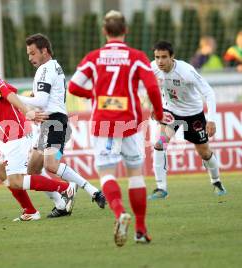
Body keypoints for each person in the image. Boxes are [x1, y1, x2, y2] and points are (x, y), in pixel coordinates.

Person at [68, 10, 165, 246]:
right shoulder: (136, 56)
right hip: (130, 123)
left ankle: (120, 211)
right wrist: (160, 114)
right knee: (136, 176)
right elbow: (152, 87)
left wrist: (94, 94)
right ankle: (141, 230)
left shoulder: (93, 57)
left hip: (104, 124)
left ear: (104, 31)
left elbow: (73, 86)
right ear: (126, 30)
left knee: (107, 174)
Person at [0, 48, 77, 221]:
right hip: (3, 137)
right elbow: (9, 89)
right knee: (0, 171)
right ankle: (30, 211)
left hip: (14, 134)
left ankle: (65, 188)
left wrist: (27, 112)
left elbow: (8, 93)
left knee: (17, 180)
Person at [14, 33, 106, 218]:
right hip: (49, 126)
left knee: (51, 164)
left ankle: (91, 190)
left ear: (44, 50)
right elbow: (43, 98)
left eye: (33, 53)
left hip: (54, 123)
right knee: (32, 170)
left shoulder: (46, 69)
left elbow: (41, 99)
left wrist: (12, 97)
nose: (30, 58)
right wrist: (30, 99)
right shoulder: (53, 66)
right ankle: (61, 203)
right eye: (28, 54)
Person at [149, 40, 227, 200]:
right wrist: (154, 106)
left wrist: (211, 120)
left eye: (164, 57)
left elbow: (209, 93)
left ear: (172, 57)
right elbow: (152, 87)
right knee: (159, 144)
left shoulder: (186, 71)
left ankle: (216, 181)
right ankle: (161, 188)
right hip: (170, 112)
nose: (160, 61)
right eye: (157, 57)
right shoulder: (153, 68)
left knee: (204, 152)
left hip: (193, 114)